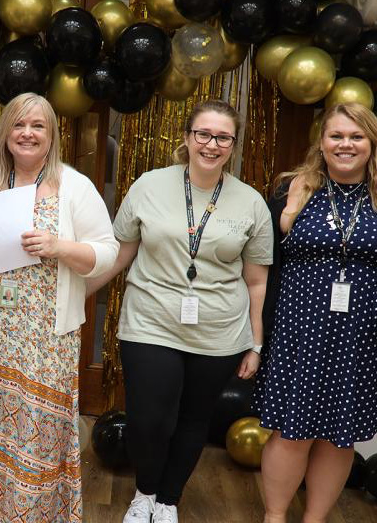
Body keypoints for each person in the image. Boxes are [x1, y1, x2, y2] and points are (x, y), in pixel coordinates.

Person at [87, 99, 273, 523]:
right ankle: (146, 492)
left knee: (194, 419)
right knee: (149, 420)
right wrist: (74, 297)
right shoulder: (149, 186)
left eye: (222, 137)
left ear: (233, 144)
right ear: (187, 137)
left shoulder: (250, 204)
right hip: (150, 320)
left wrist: (255, 343)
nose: (211, 144)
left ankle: (168, 500)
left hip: (219, 329)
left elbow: (257, 281)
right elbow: (119, 256)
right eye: (203, 134)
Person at [0, 93, 118, 523]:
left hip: (43, 335)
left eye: (38, 126)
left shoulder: (74, 185)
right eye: (19, 125)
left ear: (52, 135)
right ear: (5, 132)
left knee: (35, 430)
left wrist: (60, 247)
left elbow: (108, 252)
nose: (27, 133)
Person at [255, 103, 377, 523]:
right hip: (298, 331)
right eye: (336, 136)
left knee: (339, 439)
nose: (345, 144)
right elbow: (262, 265)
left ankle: (315, 519)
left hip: (365, 336)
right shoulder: (291, 189)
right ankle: (275, 516)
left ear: (372, 143)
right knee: (292, 432)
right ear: (321, 143)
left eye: (356, 137)